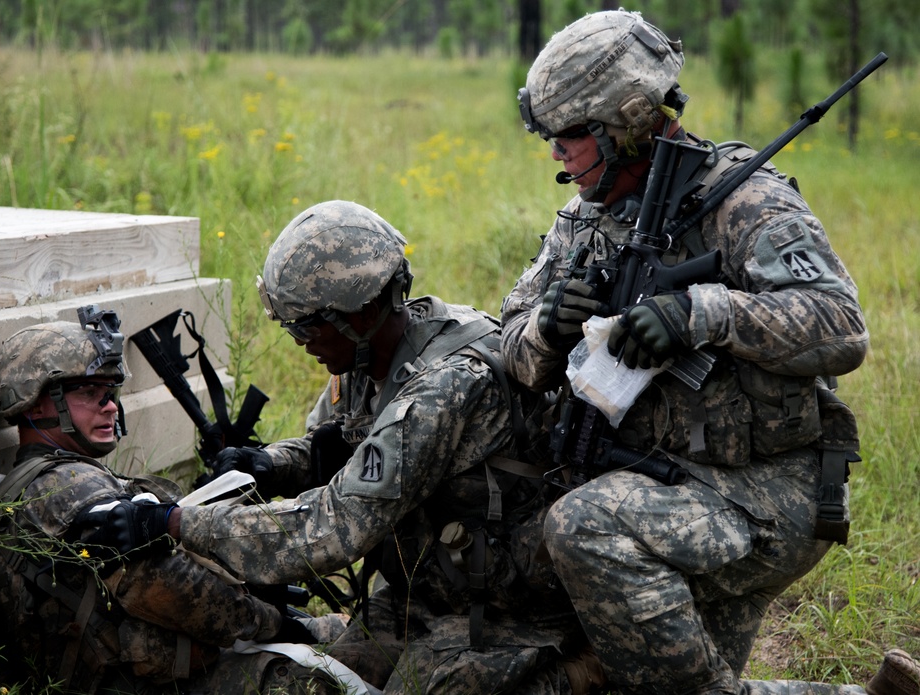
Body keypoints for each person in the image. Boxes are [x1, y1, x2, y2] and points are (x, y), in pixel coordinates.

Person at [501, 9, 920, 695]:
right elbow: (509, 339)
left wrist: (704, 313)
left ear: (625, 120)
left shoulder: (744, 198)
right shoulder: (584, 219)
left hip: (763, 490)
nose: (555, 152)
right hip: (651, 482)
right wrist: (544, 330)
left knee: (581, 530)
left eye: (571, 133)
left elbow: (840, 325)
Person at [81, 200, 602, 694]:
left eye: (305, 325)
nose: (297, 340)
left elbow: (329, 529)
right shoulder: (368, 358)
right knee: (315, 685)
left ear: (361, 311)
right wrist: (269, 464)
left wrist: (171, 522)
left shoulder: (442, 387)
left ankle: (584, 670)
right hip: (422, 597)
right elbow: (334, 443)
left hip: (509, 613)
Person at [0, 306, 351, 695]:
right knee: (316, 681)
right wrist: (276, 623)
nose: (109, 406)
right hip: (129, 683)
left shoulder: (36, 483)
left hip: (120, 674)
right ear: (35, 404)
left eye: (110, 393)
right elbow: (170, 586)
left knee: (344, 639)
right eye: (88, 393)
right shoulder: (69, 484)